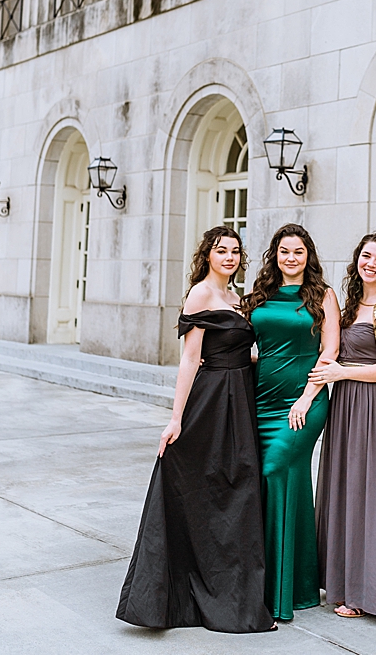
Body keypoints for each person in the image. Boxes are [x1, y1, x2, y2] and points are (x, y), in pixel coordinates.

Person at [116, 226, 273, 633]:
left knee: (237, 489)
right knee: (203, 488)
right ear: (207, 255)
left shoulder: (238, 299)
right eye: (221, 250)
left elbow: (242, 350)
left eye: (235, 251)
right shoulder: (201, 294)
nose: (229, 257)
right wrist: (175, 419)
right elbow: (190, 359)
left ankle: (232, 595)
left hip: (240, 400)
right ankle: (189, 595)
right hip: (211, 402)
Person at [242, 223, 340, 622]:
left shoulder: (323, 296)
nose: (291, 258)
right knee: (280, 484)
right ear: (275, 255)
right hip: (260, 401)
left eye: (298, 252)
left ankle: (277, 592)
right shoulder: (259, 296)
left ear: (308, 256)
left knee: (275, 469)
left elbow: (329, 349)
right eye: (284, 251)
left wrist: (305, 397)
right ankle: (294, 586)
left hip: (304, 402)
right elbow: (248, 343)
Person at [311, 233, 376, 618]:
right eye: (366, 256)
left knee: (374, 495)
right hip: (346, 407)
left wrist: (341, 373)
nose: (372, 263)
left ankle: (373, 592)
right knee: (347, 491)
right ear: (357, 260)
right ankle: (344, 583)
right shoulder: (351, 303)